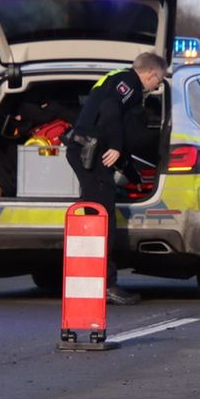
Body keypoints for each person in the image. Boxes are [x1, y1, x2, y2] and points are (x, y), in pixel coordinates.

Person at [64, 52, 168, 305]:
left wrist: (128, 166)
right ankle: (105, 285)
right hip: (88, 151)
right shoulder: (130, 83)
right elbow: (110, 109)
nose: (158, 86)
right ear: (151, 74)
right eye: (160, 80)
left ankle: (91, 281)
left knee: (96, 215)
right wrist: (118, 146)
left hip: (87, 150)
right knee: (102, 219)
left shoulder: (115, 79)